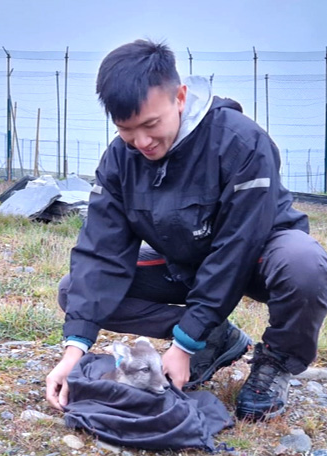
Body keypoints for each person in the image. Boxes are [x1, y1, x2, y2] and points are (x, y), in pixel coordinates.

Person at [45, 39, 327, 421]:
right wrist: (72, 353)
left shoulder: (240, 142)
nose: (141, 142)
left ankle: (275, 363)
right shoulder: (119, 160)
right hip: (187, 264)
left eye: (150, 125)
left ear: (179, 97)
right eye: (127, 130)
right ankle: (217, 339)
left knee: (304, 263)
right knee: (73, 290)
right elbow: (101, 253)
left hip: (258, 256)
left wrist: (182, 344)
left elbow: (236, 248)